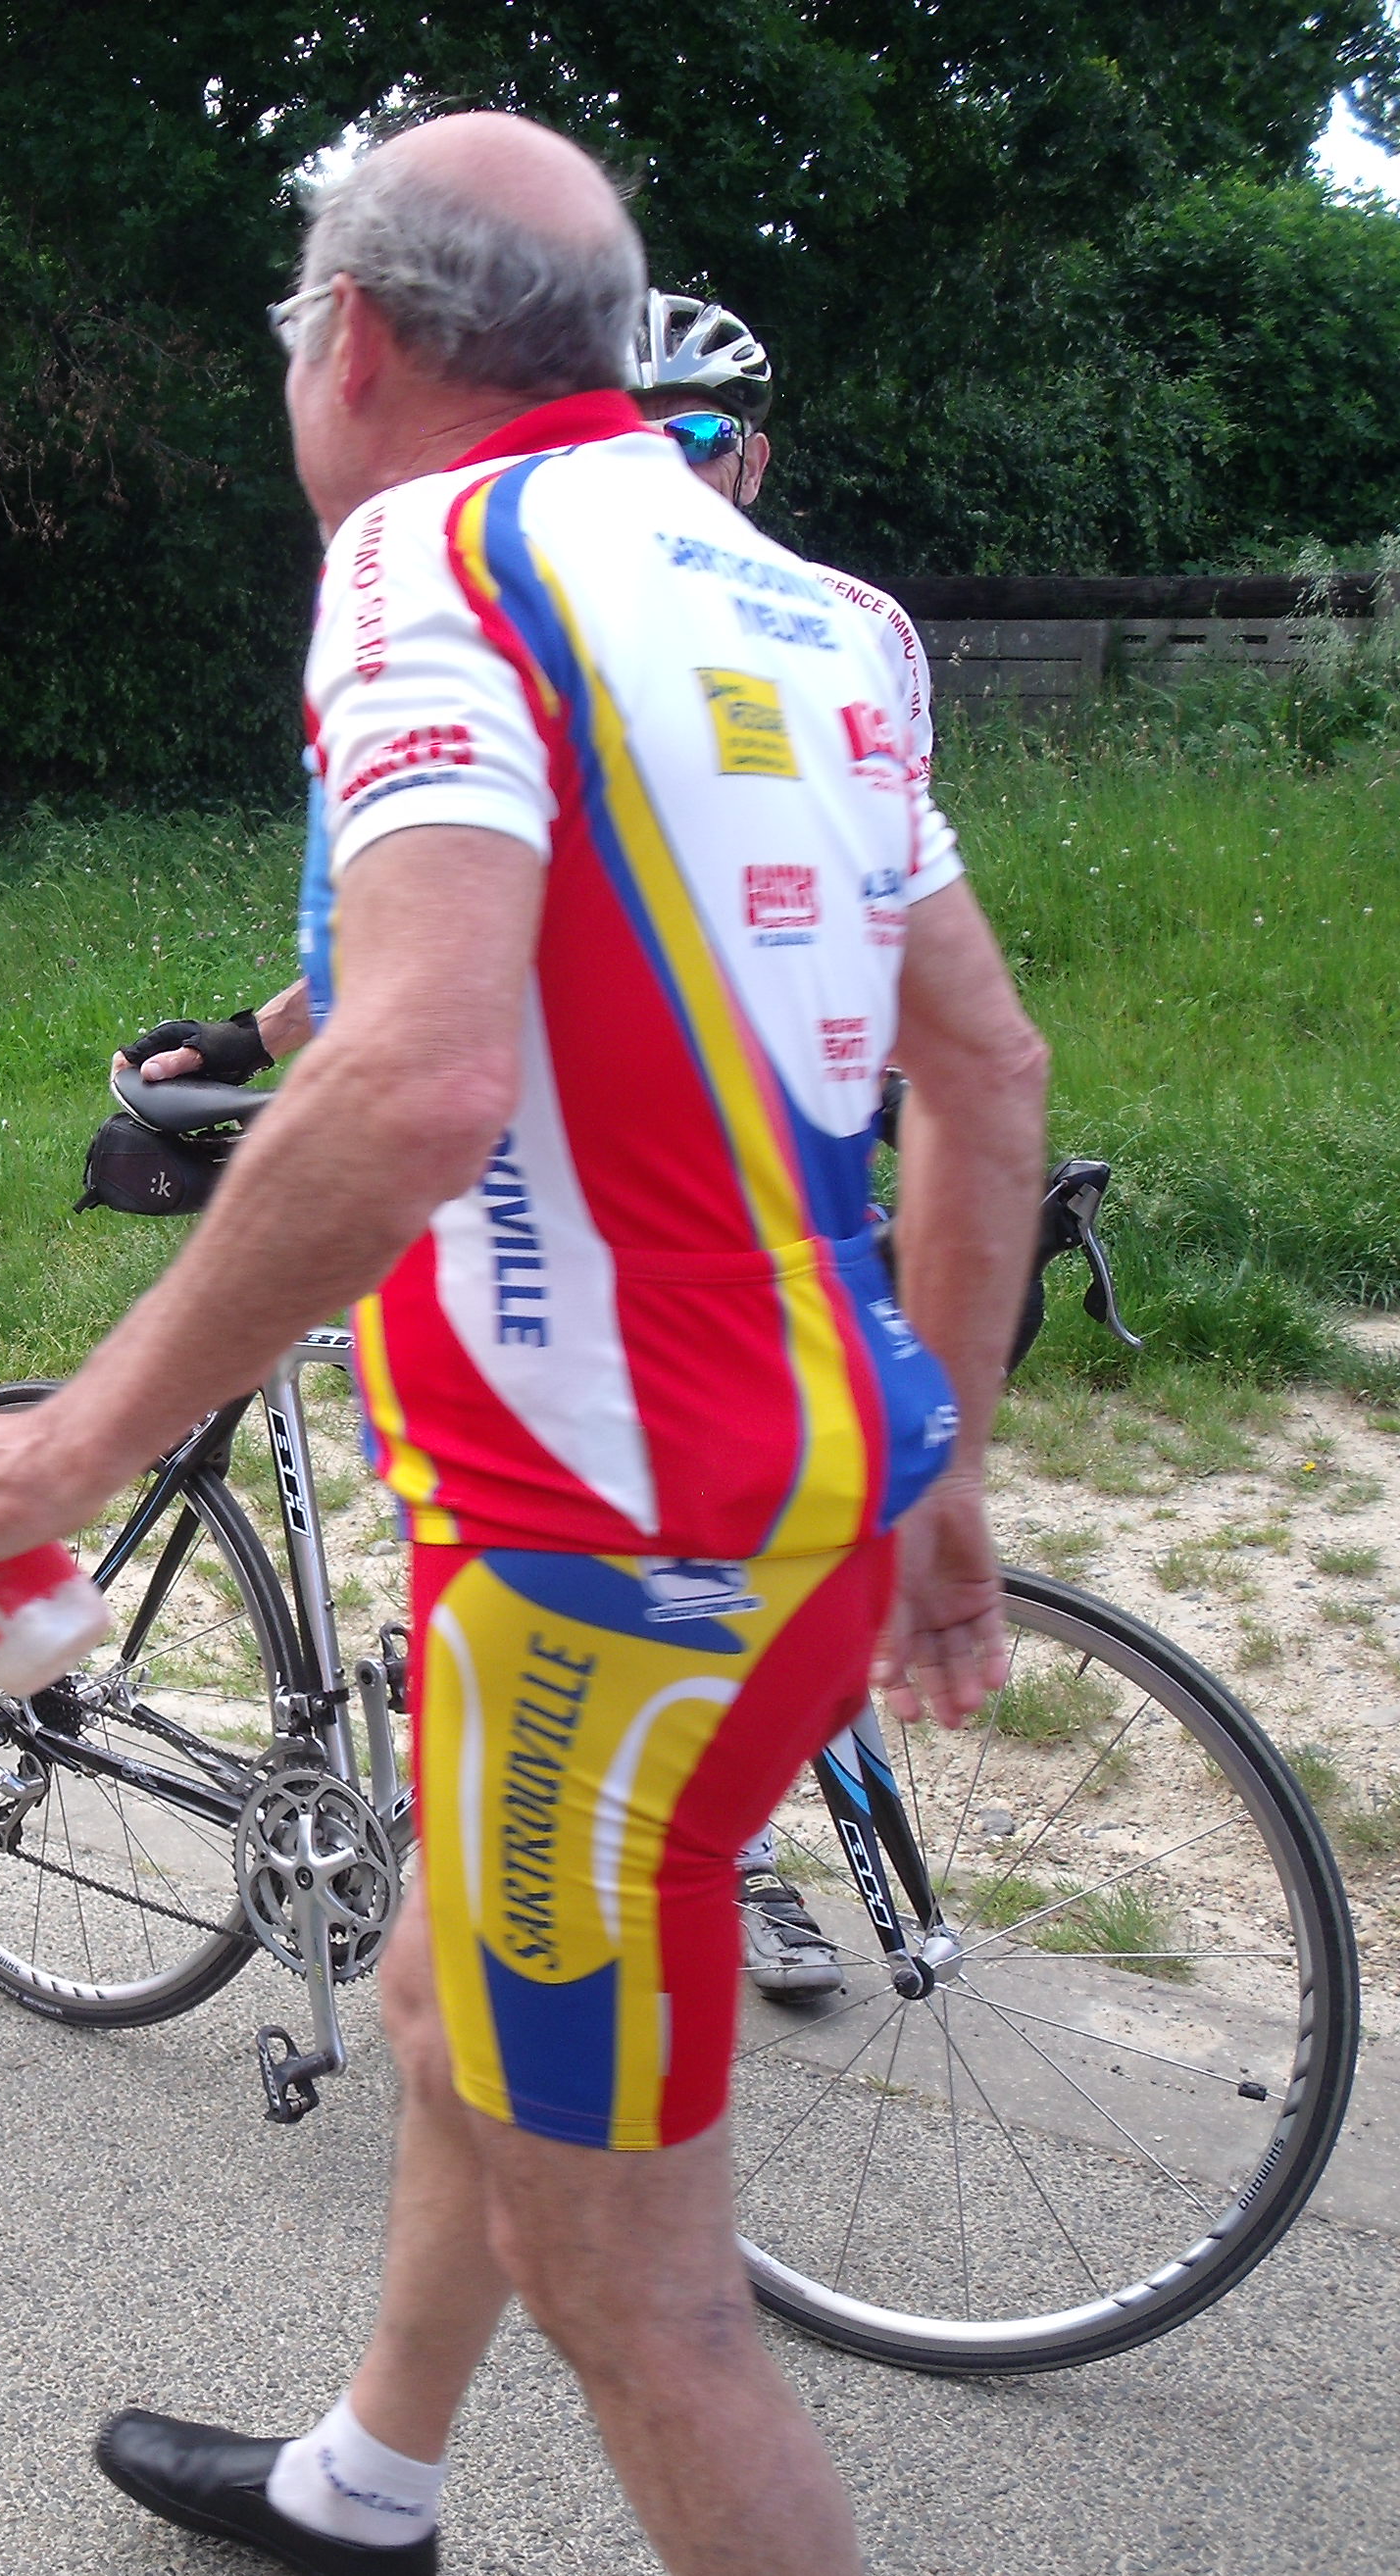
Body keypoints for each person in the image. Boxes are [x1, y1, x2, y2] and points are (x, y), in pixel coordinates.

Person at [0, 113, 1048, 2576]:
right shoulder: (816, 614)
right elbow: (991, 1070)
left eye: (296, 341)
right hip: (815, 1501)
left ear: (359, 343)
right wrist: (946, 1454)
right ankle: (365, 2480)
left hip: (598, 1570)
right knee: (436, 1996)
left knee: (649, 2302)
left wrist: (64, 1441)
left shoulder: (431, 557)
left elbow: (408, 1084)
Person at [124, 283, 934, 2009]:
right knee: (575, 1541)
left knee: (754, 1521)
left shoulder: (843, 628)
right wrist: (255, 1036)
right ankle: (618, 1874)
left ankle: (624, 1871)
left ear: (757, 457)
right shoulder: (494, 594)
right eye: (638, 428)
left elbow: (874, 920)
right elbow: (440, 921)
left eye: (701, 432)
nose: (667, 462)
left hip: (756, 1171)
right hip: (539, 1194)